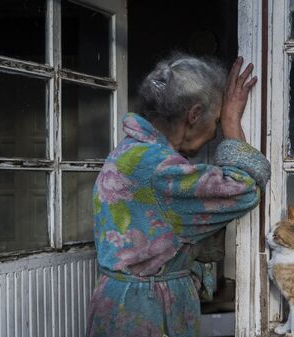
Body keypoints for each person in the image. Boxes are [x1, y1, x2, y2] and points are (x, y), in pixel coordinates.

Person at [86, 54, 270, 337]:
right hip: (144, 310)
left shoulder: (132, 152)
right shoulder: (159, 169)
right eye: (218, 120)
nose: (216, 131)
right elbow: (243, 189)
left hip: (124, 304)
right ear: (194, 114)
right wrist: (234, 125)